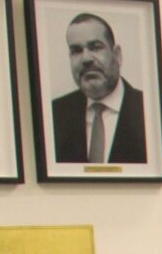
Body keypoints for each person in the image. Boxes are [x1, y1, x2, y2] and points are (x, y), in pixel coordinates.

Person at [49, 12, 145, 164]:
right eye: (76, 51)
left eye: (95, 47)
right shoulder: (54, 115)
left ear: (117, 55)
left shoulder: (147, 110)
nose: (86, 58)